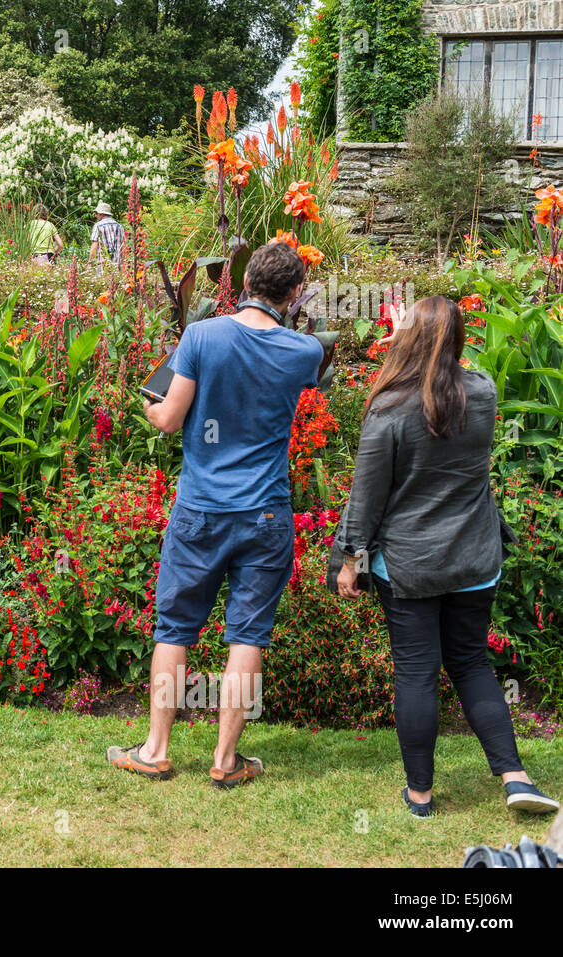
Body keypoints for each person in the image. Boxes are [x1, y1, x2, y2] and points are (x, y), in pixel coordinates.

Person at [106, 240, 324, 787]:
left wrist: (147, 398)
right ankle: (226, 762)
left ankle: (156, 749)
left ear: (246, 281)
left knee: (174, 630)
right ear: (294, 293)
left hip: (201, 509)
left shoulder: (202, 335)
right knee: (247, 637)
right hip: (267, 515)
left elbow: (170, 420)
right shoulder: (306, 353)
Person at [335, 295, 557, 819]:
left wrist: (351, 561)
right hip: (474, 557)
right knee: (472, 664)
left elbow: (366, 499)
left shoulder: (387, 408)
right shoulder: (482, 393)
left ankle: (421, 795)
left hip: (411, 565)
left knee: (415, 673)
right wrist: (421, 336)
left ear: (406, 339)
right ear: (459, 339)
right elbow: (446, 377)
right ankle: (514, 775)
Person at [89, 200, 125, 269]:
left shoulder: (98, 226)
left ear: (102, 214)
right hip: (117, 265)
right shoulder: (119, 226)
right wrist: (123, 263)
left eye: (96, 213)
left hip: (103, 265)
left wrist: (90, 262)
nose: (95, 215)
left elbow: (95, 245)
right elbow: (123, 246)